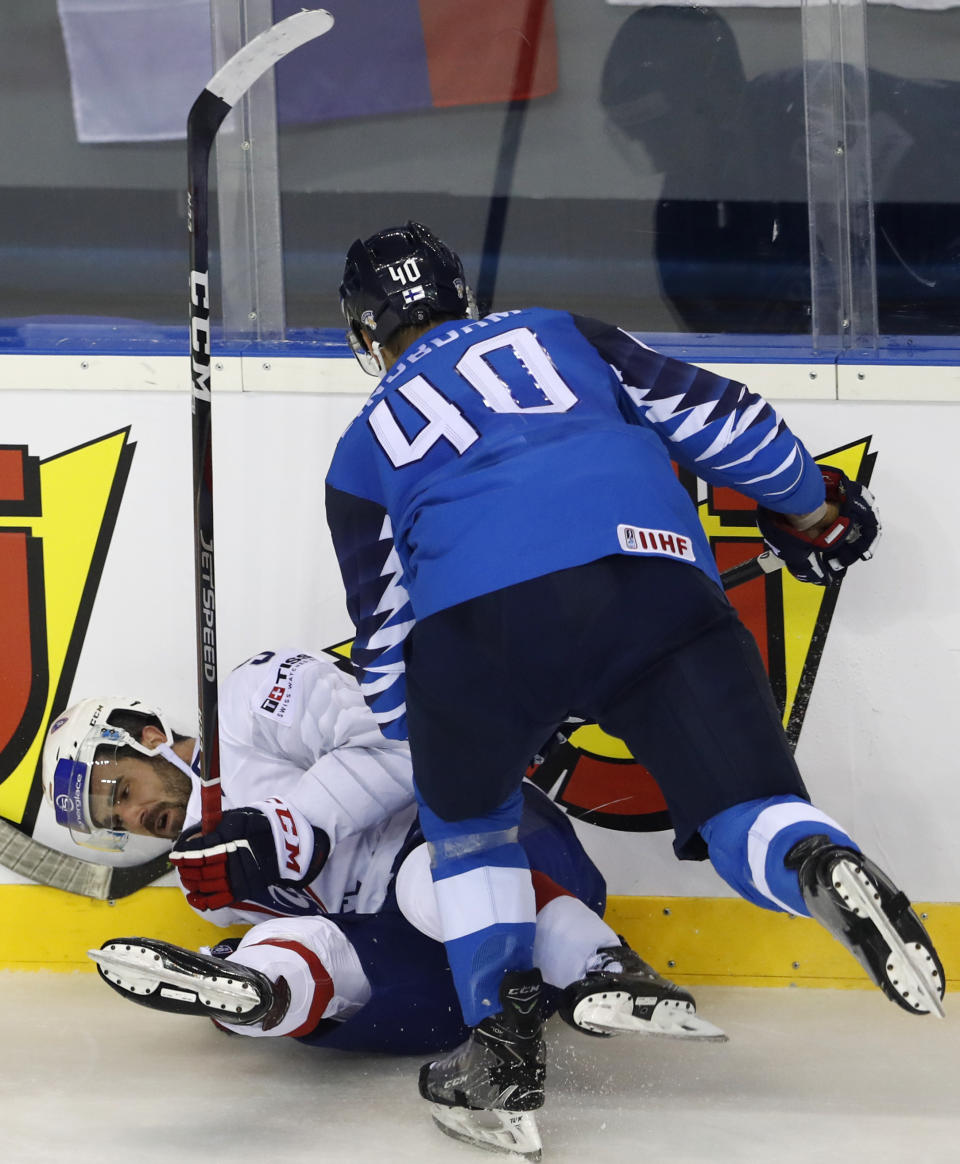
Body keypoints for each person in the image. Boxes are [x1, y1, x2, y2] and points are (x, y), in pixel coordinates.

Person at [324, 221, 944, 1156]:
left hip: (473, 635)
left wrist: (456, 736)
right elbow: (728, 422)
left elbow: (385, 651)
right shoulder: (560, 331)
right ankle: (817, 863)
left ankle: (500, 1056)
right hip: (651, 581)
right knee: (751, 809)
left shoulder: (359, 448)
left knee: (471, 830)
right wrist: (813, 509)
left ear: (367, 333)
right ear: (462, 294)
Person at [42, 647, 721, 1072]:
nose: (133, 817)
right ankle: (256, 991)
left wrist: (287, 828)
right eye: (114, 819)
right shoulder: (202, 882)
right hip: (450, 992)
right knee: (288, 942)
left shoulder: (250, 701)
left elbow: (402, 742)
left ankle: (605, 967)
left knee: (430, 880)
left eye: (120, 790)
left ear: (151, 737)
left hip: (499, 853)